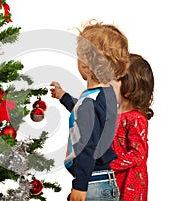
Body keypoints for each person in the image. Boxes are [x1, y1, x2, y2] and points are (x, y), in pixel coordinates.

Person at [50, 20, 129, 201]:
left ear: (86, 63)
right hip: (103, 180)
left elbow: (88, 144)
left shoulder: (92, 101)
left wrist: (80, 185)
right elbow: (82, 112)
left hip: (92, 183)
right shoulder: (103, 96)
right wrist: (63, 96)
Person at [110, 53, 154, 201]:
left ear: (131, 85)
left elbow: (138, 154)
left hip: (129, 187)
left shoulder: (136, 119)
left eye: (116, 79)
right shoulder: (112, 114)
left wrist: (109, 165)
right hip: (111, 181)